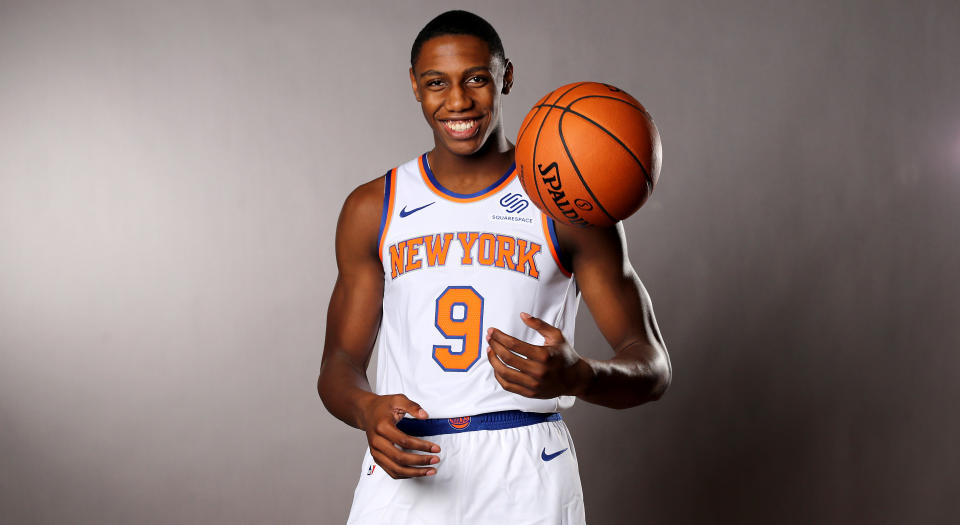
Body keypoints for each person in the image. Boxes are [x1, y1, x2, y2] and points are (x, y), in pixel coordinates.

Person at [317, 10, 671, 525]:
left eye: (476, 78)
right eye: (437, 82)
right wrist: (365, 409)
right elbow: (338, 365)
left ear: (505, 76)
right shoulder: (375, 207)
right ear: (415, 87)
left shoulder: (569, 203)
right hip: (409, 460)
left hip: (526, 464)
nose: (457, 101)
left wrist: (581, 375)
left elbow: (652, 368)